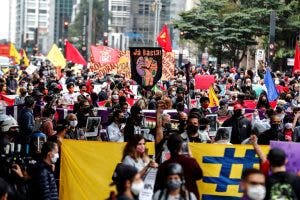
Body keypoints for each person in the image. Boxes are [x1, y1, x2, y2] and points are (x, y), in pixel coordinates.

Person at [154, 134, 203, 199]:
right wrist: (191, 155)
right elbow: (199, 175)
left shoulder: (163, 166)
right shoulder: (191, 162)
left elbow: (158, 186)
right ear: (182, 146)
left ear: (168, 147)